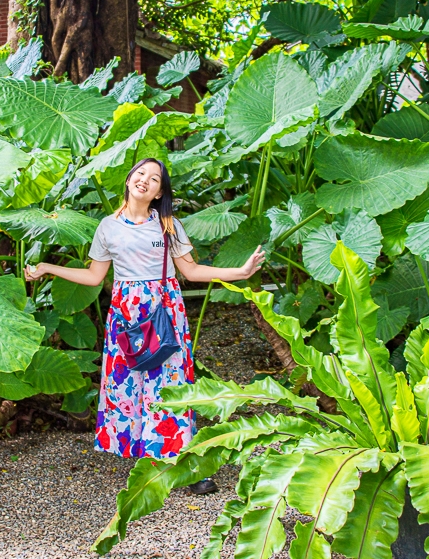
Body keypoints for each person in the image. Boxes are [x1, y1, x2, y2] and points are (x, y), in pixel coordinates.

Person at [25, 158, 264, 495]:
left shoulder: (168, 226)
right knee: (130, 386)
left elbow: (192, 271)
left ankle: (186, 465)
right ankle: (147, 454)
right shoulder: (107, 226)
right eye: (140, 173)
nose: (145, 181)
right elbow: (95, 276)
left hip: (164, 311)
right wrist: (48, 267)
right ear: (129, 179)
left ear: (158, 193)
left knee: (172, 384)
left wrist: (239, 272)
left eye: (154, 180)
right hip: (126, 312)